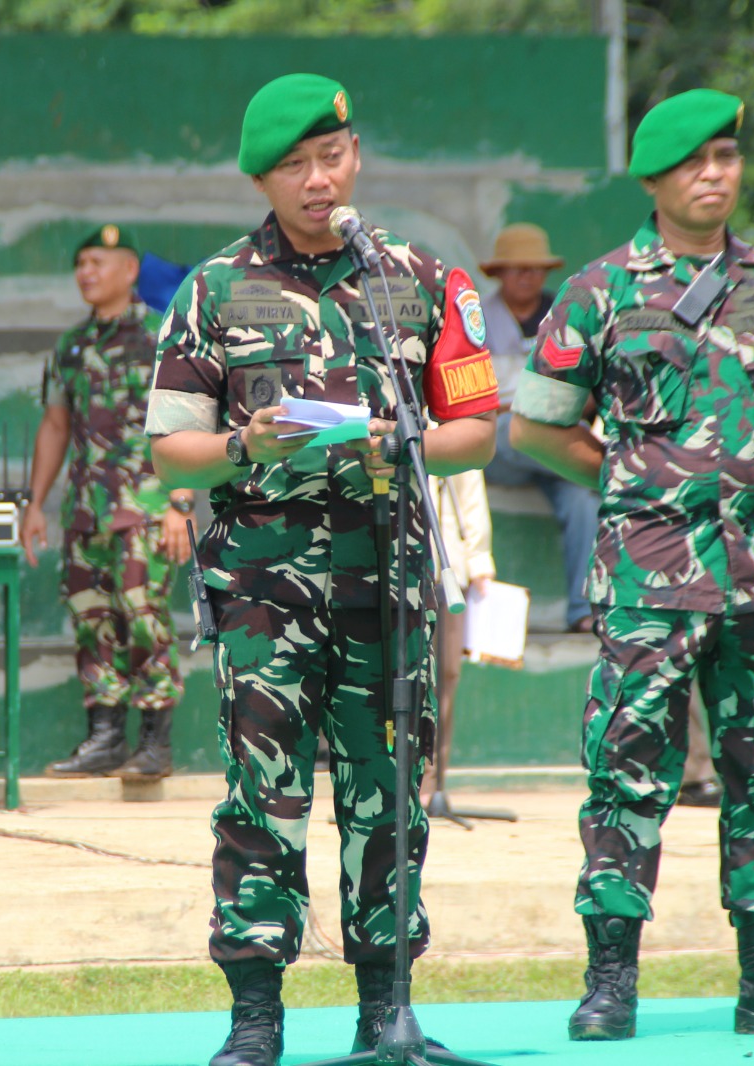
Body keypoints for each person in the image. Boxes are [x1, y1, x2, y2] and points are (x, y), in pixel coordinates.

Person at [146, 73, 497, 1066]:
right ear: (261, 177)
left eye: (330, 157)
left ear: (356, 154)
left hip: (385, 581)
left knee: (389, 793)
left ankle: (387, 1010)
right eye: (293, 165)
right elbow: (170, 451)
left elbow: (476, 429)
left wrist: (400, 439)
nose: (315, 180)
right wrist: (249, 443)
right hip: (265, 587)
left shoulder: (421, 280)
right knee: (263, 795)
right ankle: (255, 1015)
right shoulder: (212, 293)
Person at [510, 88, 754, 1041]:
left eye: (727, 157)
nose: (716, 175)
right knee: (627, 770)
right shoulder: (601, 289)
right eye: (694, 163)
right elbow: (535, 426)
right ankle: (610, 981)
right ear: (656, 179)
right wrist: (627, 477)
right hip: (649, 575)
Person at [21, 223, 191, 781]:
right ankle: (105, 738)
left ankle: (154, 744)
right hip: (87, 510)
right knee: (91, 617)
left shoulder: (162, 336)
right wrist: (35, 504)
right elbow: (54, 424)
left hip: (146, 504)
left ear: (129, 270)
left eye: (98, 261)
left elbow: (190, 416)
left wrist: (181, 503)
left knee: (143, 615)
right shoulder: (72, 345)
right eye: (80, 263)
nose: (86, 273)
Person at [479, 224, 598, 633]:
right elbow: (474, 403)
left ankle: (582, 611)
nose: (527, 276)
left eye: (534, 268)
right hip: (500, 445)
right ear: (499, 273)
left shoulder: (565, 318)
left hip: (557, 441)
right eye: (517, 269)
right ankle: (610, 469)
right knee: (518, 427)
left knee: (582, 495)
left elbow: (589, 393)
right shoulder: (476, 320)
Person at [424, 466, 496, 801]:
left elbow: (470, 492)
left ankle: (432, 780)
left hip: (449, 568)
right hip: (395, 564)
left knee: (446, 673)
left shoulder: (449, 422)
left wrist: (480, 560)